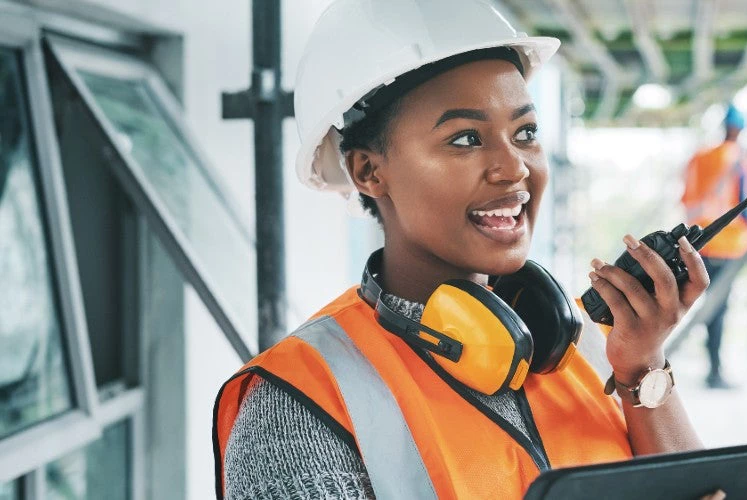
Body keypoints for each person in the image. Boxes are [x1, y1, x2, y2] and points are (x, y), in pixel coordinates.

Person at [211, 1, 713, 499]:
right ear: (368, 172)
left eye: (526, 133)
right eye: (466, 138)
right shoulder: (300, 404)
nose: (513, 167)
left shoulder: (583, 346)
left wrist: (642, 369)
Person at [681, 104, 747, 389]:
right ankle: (714, 371)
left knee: (704, 304)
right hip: (728, 245)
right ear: (738, 130)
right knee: (718, 311)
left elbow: (687, 197)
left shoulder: (699, 157)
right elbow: (745, 204)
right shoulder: (737, 159)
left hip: (699, 242)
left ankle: (711, 366)